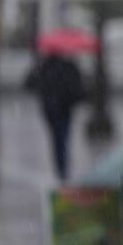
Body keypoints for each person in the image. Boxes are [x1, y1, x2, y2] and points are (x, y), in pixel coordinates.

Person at [26, 53, 86, 181]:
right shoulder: (68, 66)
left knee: (57, 137)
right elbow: (78, 88)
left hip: (52, 109)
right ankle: (63, 165)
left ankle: (61, 165)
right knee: (62, 136)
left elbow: (30, 84)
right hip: (64, 108)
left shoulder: (45, 67)